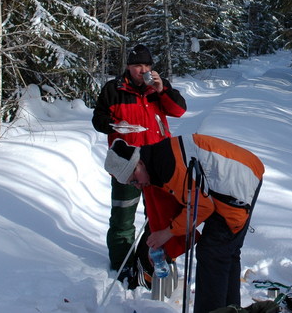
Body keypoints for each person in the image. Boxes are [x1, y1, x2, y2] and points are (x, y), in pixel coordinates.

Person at [104, 134, 264, 313]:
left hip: (237, 183)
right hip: (244, 171)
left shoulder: (166, 165)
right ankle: (231, 308)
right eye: (131, 184)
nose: (137, 186)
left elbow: (202, 207)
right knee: (226, 253)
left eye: (134, 180)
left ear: (138, 164)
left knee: (212, 253)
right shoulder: (156, 160)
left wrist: (167, 233)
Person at [91, 44, 187, 275]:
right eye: (136, 66)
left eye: (146, 65)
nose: (141, 70)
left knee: (158, 217)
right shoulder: (113, 89)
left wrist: (162, 89)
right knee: (123, 218)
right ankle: (122, 266)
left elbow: (179, 111)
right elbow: (98, 119)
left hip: (158, 164)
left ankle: (152, 262)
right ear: (128, 67)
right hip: (126, 165)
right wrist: (114, 125)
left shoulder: (158, 88)